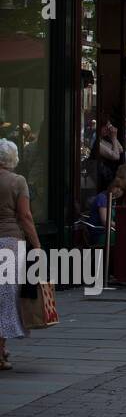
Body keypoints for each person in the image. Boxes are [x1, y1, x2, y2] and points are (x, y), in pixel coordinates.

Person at [0, 139, 40, 370]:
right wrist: (36, 245)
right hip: (9, 243)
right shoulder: (17, 181)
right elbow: (25, 216)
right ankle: (0, 352)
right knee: (5, 298)